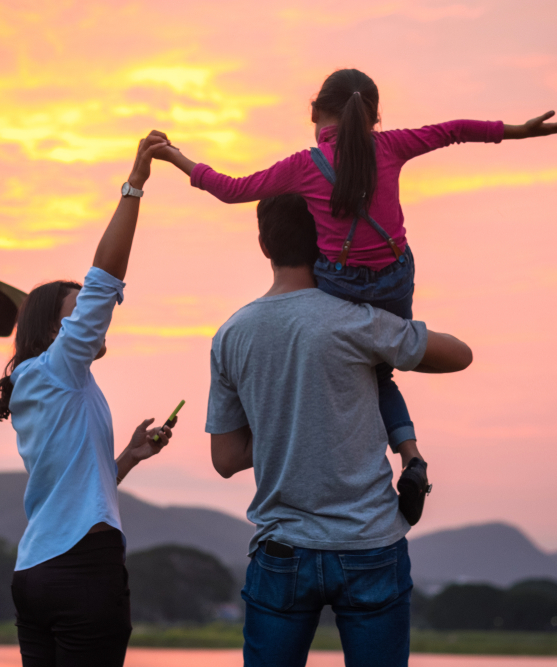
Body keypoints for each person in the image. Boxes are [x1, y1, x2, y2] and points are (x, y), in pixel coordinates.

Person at [158, 68, 557, 524]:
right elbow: (454, 131)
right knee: (379, 373)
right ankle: (410, 455)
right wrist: (516, 132)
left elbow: (231, 190)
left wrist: (177, 157)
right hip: (395, 278)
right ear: (375, 117)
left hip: (340, 282)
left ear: (315, 112)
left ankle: (341, 432)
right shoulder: (391, 145)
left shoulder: (302, 165)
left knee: (348, 349)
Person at [207, 194, 474, 667]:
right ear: (329, 241)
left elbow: (226, 459)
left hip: (281, 548)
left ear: (263, 243)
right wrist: (390, 349)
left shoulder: (232, 334)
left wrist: (283, 422)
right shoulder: (358, 321)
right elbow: (460, 354)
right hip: (370, 544)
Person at [0, 131, 174, 667]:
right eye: (78, 312)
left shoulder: (47, 383)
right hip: (82, 574)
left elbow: (77, 490)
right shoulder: (59, 369)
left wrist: (130, 458)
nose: (95, 317)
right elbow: (104, 281)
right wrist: (134, 185)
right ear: (55, 329)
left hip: (35, 574)